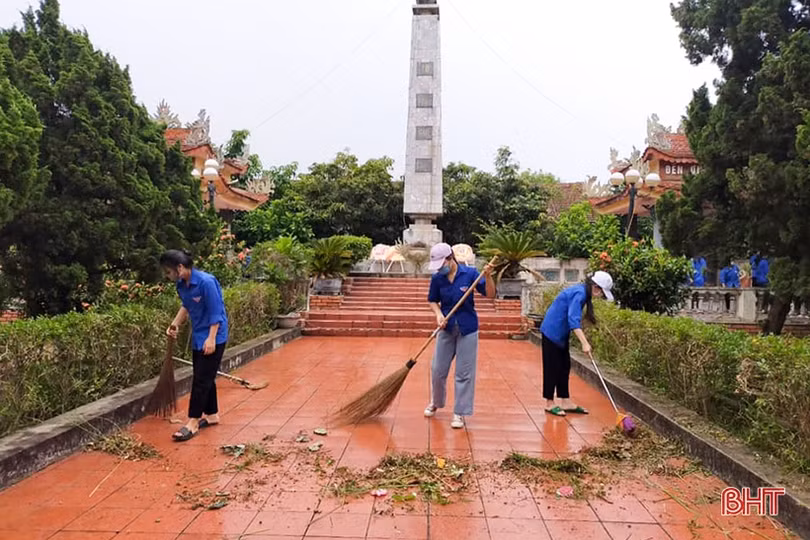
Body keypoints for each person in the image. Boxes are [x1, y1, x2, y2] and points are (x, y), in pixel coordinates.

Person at [424, 243, 496, 429]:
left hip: (468, 329)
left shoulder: (471, 274)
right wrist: (439, 315)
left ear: (450, 259)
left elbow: (490, 295)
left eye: (442, 264)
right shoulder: (438, 278)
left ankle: (459, 412)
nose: (441, 269)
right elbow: (432, 300)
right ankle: (436, 402)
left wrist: (488, 277)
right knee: (438, 369)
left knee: (464, 373)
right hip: (446, 328)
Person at [161, 249, 229, 442]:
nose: (168, 276)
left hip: (214, 334)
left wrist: (212, 338)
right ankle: (212, 415)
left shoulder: (207, 282)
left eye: (168, 272)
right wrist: (175, 323)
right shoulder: (182, 285)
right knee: (205, 375)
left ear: (180, 267)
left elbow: (216, 311)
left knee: (200, 379)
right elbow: (187, 306)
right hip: (199, 335)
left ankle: (192, 422)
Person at [539, 271, 614, 417]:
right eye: (601, 292)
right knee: (552, 367)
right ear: (595, 287)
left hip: (561, 334)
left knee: (564, 366)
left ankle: (565, 401)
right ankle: (549, 402)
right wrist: (584, 343)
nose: (601, 296)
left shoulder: (583, 293)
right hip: (552, 331)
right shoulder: (580, 294)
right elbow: (573, 320)